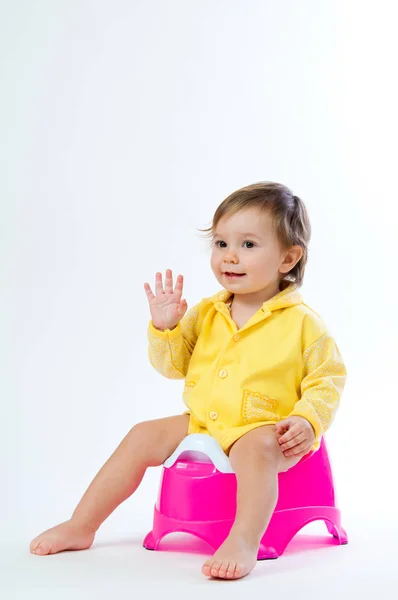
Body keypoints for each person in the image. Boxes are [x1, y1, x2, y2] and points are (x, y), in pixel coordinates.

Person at [30, 181, 347, 580]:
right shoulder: (209, 312)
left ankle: (245, 539)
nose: (230, 256)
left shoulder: (303, 323)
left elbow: (328, 378)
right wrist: (166, 328)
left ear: (288, 258)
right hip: (204, 422)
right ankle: (82, 524)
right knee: (140, 435)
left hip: (266, 429)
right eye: (220, 243)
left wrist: (307, 420)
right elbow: (173, 366)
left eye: (248, 245)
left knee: (254, 451)